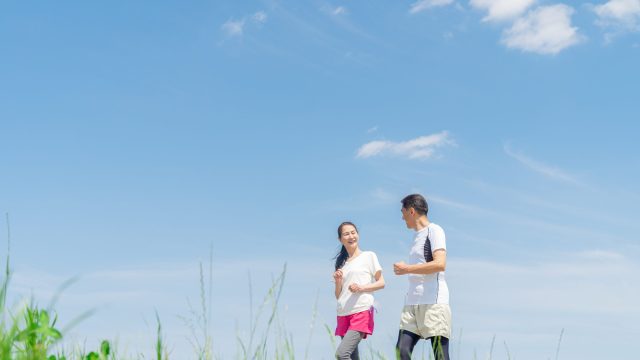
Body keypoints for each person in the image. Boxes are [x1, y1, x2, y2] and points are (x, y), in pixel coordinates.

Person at [393, 194, 451, 360]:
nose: (401, 216)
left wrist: (407, 269)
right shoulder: (416, 236)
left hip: (433, 302)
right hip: (412, 304)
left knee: (440, 355)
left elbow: (440, 264)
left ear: (411, 211)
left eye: (402, 212)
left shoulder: (434, 230)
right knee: (401, 351)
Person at [333, 221, 385, 360]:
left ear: (357, 234)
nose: (351, 236)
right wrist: (338, 282)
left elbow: (381, 283)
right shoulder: (341, 264)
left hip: (361, 311)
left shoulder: (368, 256)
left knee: (342, 354)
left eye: (353, 232)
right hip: (343, 313)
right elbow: (338, 295)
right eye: (346, 234)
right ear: (340, 239)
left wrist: (361, 288)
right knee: (352, 356)